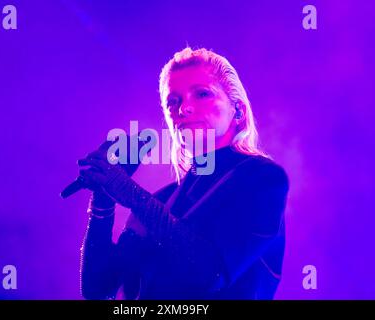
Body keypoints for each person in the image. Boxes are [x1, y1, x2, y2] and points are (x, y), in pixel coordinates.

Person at [78, 47, 289, 300]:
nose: (183, 108)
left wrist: (128, 192)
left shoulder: (262, 179)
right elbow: (97, 290)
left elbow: (209, 275)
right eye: (173, 101)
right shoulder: (161, 199)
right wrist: (104, 199)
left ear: (239, 111)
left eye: (202, 94)